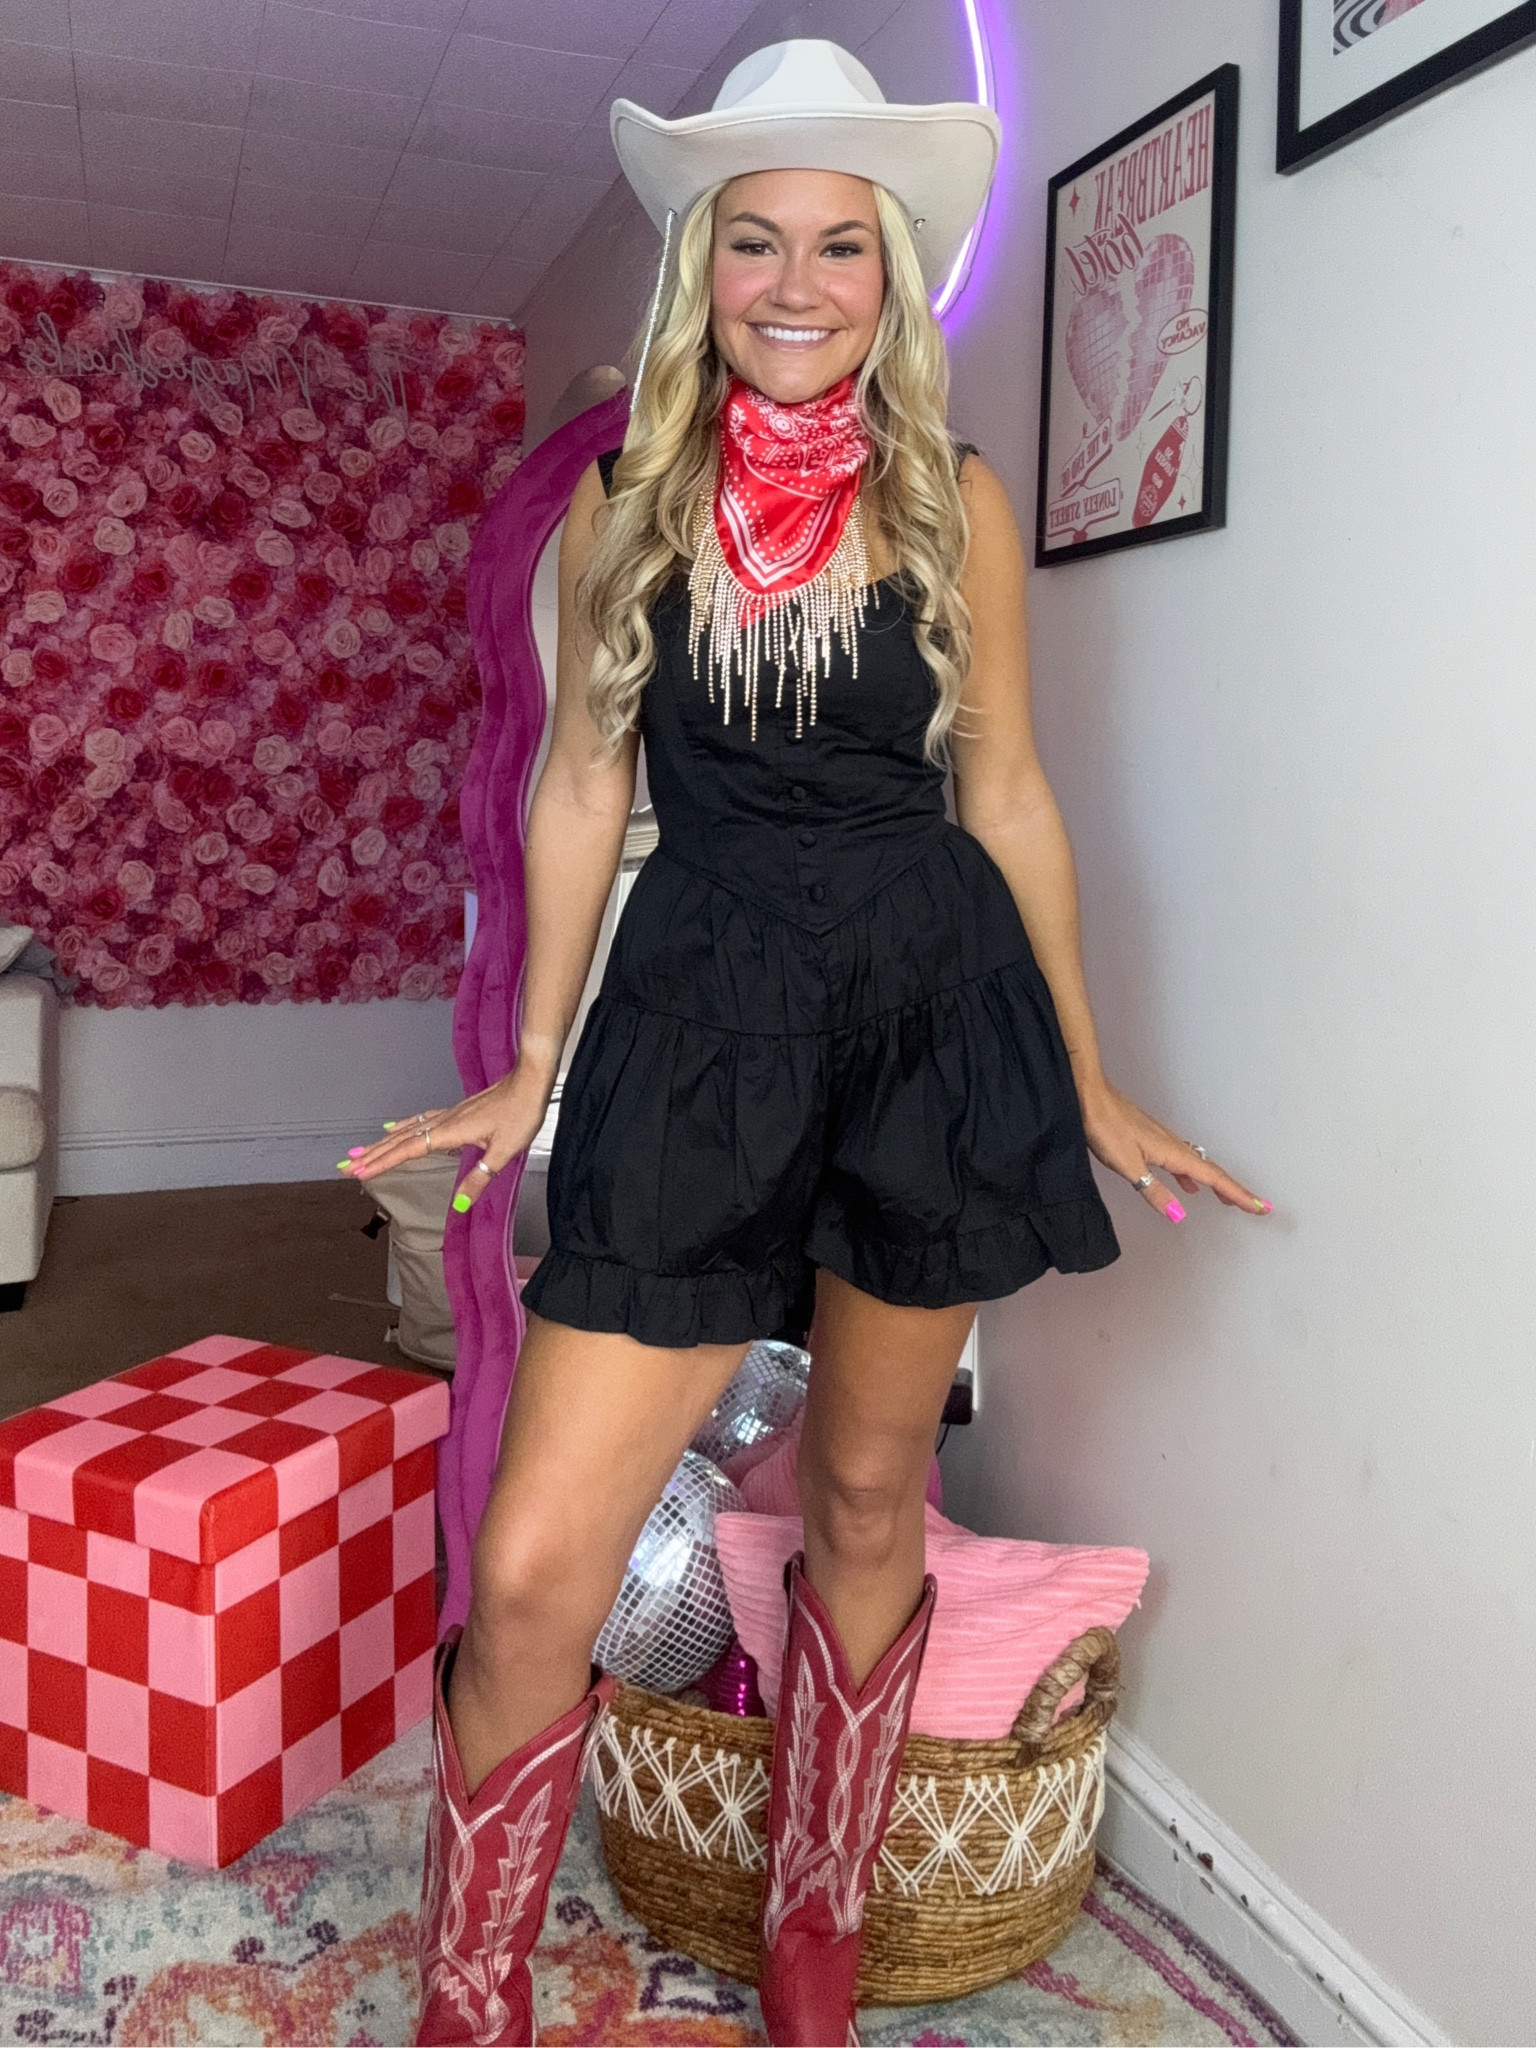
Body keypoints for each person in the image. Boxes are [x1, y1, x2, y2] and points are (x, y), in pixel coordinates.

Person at [344, 38, 1271, 2048]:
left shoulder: (957, 502)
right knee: (534, 1572)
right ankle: (470, 2002)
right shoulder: (621, 508)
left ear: (889, 270)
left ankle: (815, 1933)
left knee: (862, 1498)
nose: (794, 280)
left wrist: (1088, 1072)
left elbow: (1006, 790)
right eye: (752, 238)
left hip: (928, 1016)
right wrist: (530, 1062)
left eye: (839, 243)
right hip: (695, 1025)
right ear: (702, 267)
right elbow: (582, 781)